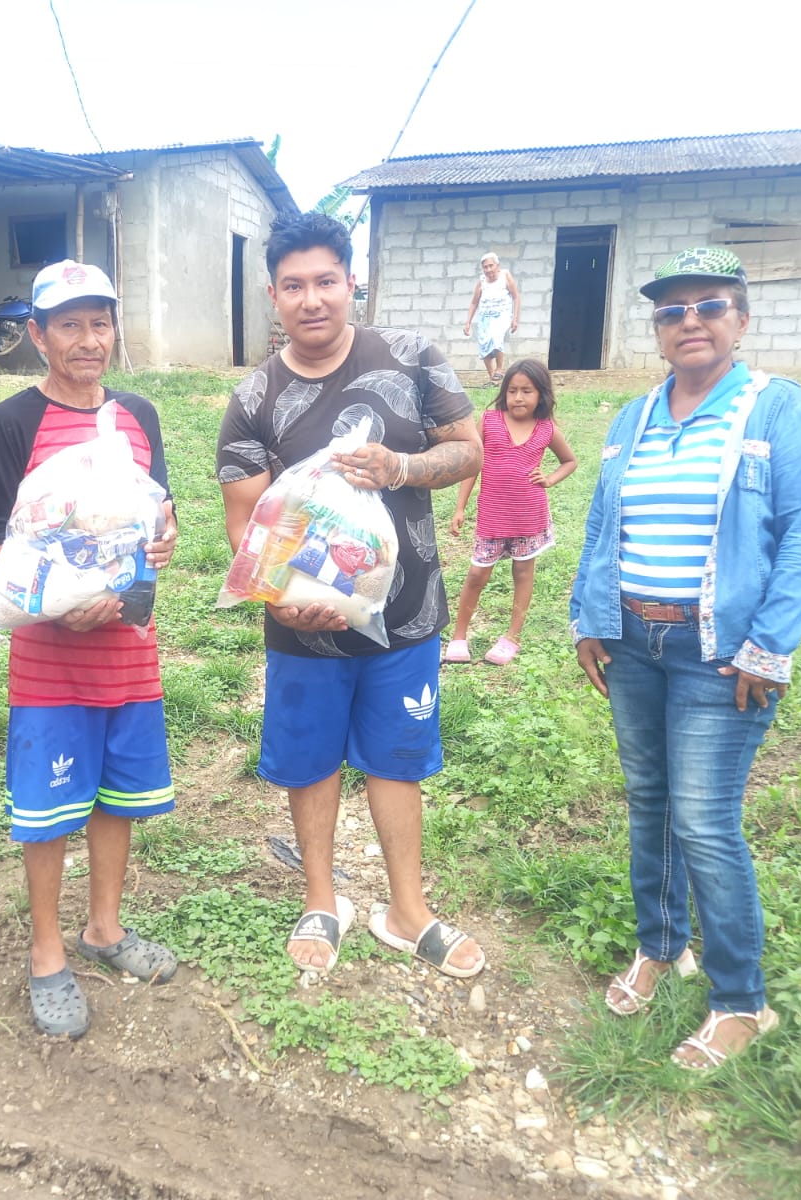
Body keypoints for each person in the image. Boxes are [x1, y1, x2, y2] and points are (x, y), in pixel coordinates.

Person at [571, 247, 801, 1070]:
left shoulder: (775, 410)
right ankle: (660, 947)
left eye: (710, 306)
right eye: (672, 310)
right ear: (657, 329)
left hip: (720, 654)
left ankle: (741, 1000)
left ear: (740, 322)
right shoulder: (634, 417)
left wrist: (770, 646)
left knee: (705, 819)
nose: (690, 321)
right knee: (650, 800)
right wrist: (589, 618)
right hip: (633, 642)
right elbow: (602, 524)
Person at [216, 212, 487, 981]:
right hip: (303, 623)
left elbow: (469, 449)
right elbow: (245, 519)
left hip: (407, 613)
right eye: (293, 286)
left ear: (351, 282)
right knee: (310, 761)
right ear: (273, 295)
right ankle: (321, 899)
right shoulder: (254, 398)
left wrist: (402, 468)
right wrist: (275, 598)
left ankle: (408, 910)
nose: (311, 299)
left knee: (397, 758)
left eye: (325, 281)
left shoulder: (411, 357)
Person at [0, 259, 181, 1039]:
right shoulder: (13, 423)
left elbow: (159, 512)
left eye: (100, 322)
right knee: (47, 809)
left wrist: (164, 543)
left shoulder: (138, 415)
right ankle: (46, 952)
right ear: (38, 335)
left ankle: (104, 927)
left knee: (117, 796)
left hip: (128, 648)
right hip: (49, 659)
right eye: (69, 325)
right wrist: (60, 602)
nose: (88, 339)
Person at [444, 359, 577, 666]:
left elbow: (570, 461)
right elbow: (471, 465)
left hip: (529, 518)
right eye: (513, 390)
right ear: (504, 392)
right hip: (492, 517)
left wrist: (550, 479)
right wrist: (460, 507)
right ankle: (459, 636)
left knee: (523, 573)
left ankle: (512, 638)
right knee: (477, 574)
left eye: (527, 391)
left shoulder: (547, 429)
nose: (518, 397)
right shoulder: (490, 421)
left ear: (541, 394)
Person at [462, 252, 520, 385]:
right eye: (485, 267)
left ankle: (499, 369)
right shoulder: (481, 281)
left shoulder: (505, 275)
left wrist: (515, 319)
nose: (488, 269)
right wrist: (468, 322)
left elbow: (516, 297)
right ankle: (493, 378)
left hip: (502, 315)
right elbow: (474, 302)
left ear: (497, 265)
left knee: (496, 337)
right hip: (484, 317)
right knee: (484, 345)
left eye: (491, 266)